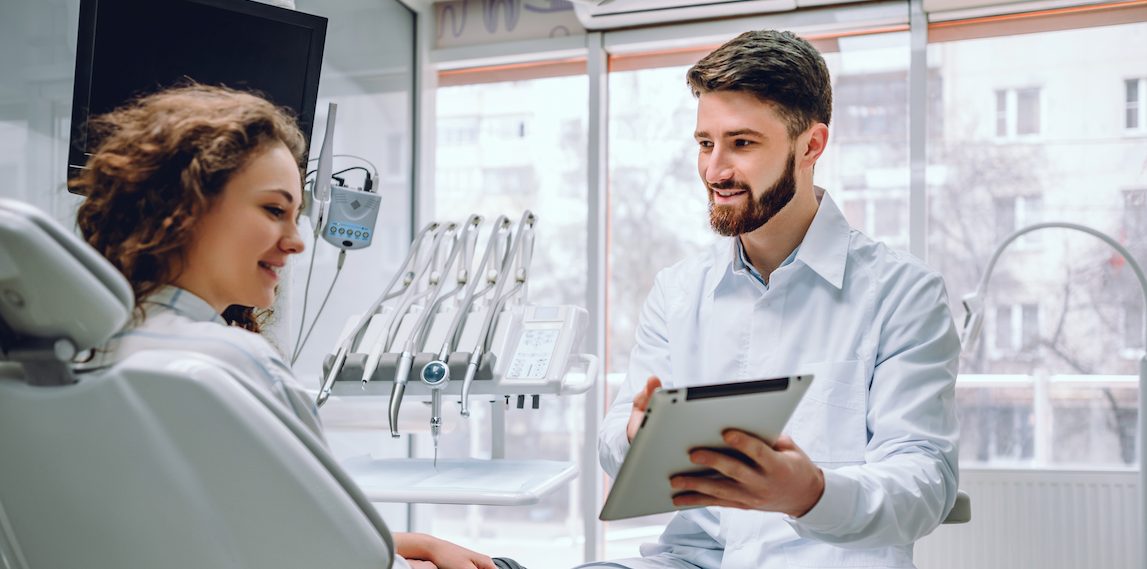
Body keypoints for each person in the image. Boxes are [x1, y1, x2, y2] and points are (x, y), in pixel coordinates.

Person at [71, 84, 498, 569]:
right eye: (275, 210)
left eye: (295, 216)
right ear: (183, 206)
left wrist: (404, 542)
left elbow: (235, 531)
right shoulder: (232, 363)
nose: (296, 242)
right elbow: (339, 557)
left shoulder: (81, 360)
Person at [585, 30, 960, 569]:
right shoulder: (677, 290)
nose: (715, 171)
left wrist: (809, 493)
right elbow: (614, 445)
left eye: (742, 143)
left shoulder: (902, 293)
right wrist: (635, 436)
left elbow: (925, 480)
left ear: (810, 146)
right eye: (705, 143)